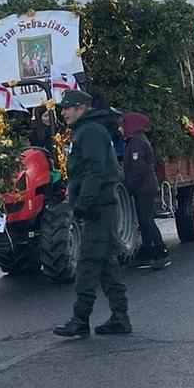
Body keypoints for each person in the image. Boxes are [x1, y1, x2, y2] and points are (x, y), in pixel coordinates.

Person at [53, 90, 131, 338]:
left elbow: (94, 171)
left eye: (68, 108)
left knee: (87, 263)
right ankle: (120, 316)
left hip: (97, 206)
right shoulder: (89, 131)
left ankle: (80, 318)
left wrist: (82, 204)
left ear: (82, 109)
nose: (63, 112)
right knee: (107, 263)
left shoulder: (89, 133)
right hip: (101, 205)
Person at [122, 112, 170, 271]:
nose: (122, 127)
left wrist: (130, 186)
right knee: (144, 220)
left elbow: (138, 168)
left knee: (147, 220)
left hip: (144, 187)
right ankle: (148, 252)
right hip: (145, 186)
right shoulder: (137, 140)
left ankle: (160, 251)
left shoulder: (137, 142)